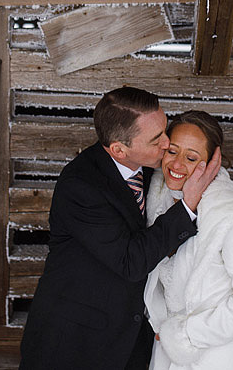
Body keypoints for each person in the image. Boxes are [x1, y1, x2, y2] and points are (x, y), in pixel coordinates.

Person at [20, 87, 222, 370]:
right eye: (156, 139)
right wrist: (188, 207)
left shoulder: (153, 165)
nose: (168, 143)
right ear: (119, 149)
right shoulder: (81, 186)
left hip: (133, 337)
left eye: (165, 129)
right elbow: (131, 261)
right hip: (76, 341)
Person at [144, 111, 233, 370]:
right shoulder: (157, 201)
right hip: (164, 356)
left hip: (215, 357)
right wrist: (159, 324)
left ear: (213, 162)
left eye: (191, 157)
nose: (177, 164)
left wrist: (187, 335)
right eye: (172, 151)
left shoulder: (229, 215)